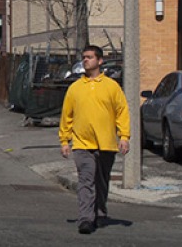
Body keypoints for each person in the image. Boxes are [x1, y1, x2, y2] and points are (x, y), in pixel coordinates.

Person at [58, 44, 131, 234]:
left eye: (89, 57)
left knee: (102, 181)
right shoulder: (75, 88)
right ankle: (85, 219)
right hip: (82, 144)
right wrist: (64, 141)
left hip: (106, 143)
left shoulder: (112, 87)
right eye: (84, 57)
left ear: (100, 61)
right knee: (86, 180)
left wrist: (124, 136)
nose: (85, 60)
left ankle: (100, 213)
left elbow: (122, 112)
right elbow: (67, 116)